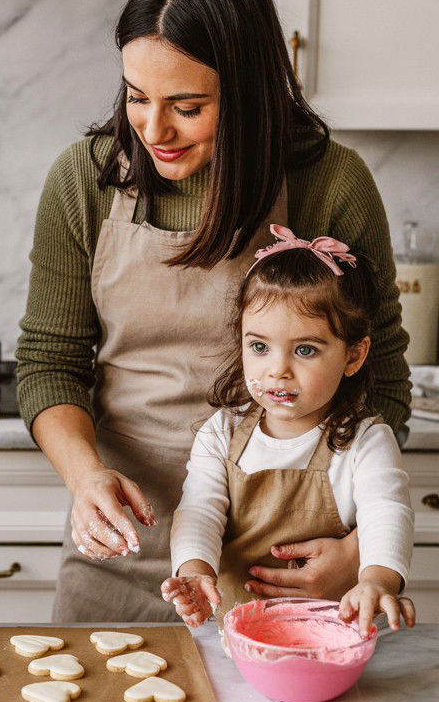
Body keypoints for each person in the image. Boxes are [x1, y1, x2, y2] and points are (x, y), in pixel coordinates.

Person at [16, 0, 410, 623]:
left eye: (188, 107)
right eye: (137, 97)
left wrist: (360, 548)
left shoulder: (329, 182)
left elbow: (386, 374)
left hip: (282, 563)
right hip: (124, 538)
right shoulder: (85, 180)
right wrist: (86, 478)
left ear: (250, 93)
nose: (154, 130)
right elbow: (49, 361)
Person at [161, 226, 415, 637]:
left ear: (353, 355)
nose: (277, 369)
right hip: (234, 639)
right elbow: (199, 511)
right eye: (259, 346)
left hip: (334, 639)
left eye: (305, 350)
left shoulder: (365, 441)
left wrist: (377, 582)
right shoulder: (221, 433)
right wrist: (194, 570)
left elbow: (386, 513)